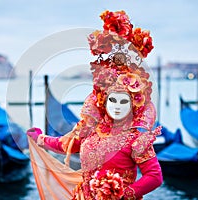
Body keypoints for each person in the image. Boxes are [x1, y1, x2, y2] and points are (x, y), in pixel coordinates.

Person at [27, 10, 163, 200]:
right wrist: (40, 139)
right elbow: (66, 145)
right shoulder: (92, 129)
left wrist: (126, 194)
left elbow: (154, 176)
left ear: (133, 104)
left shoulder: (136, 139)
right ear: (103, 101)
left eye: (124, 102)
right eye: (112, 100)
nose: (117, 106)